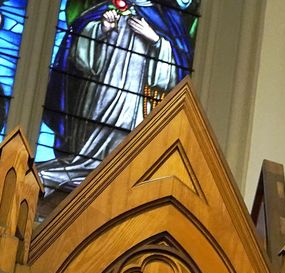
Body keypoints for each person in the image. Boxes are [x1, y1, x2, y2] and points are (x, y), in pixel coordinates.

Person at [40, 1, 194, 193]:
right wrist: (102, 29)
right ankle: (88, 165)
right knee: (89, 151)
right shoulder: (104, 10)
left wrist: (155, 40)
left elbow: (177, 75)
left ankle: (120, 174)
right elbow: (78, 59)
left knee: (128, 149)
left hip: (135, 102)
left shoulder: (166, 18)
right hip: (99, 97)